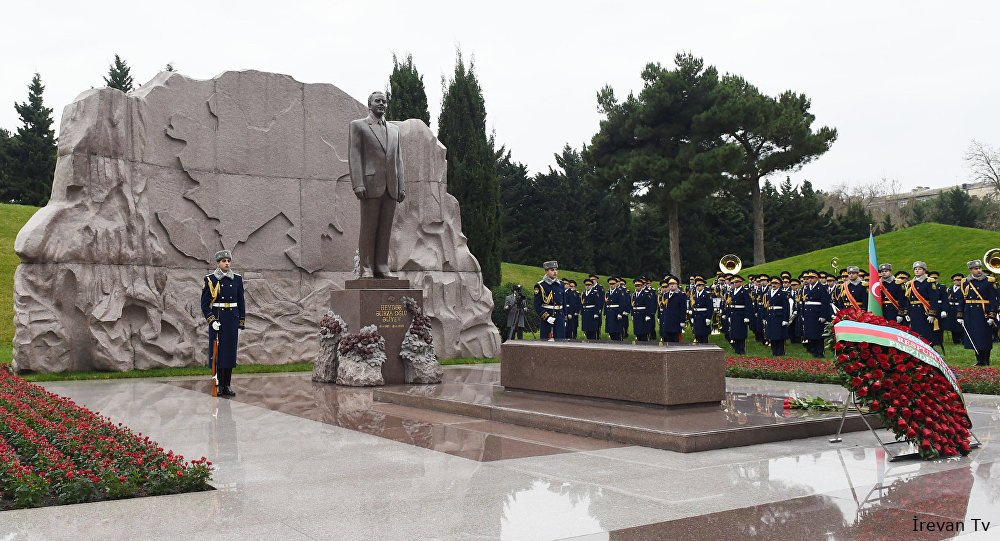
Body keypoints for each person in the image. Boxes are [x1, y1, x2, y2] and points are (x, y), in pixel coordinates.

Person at [349, 91, 405, 279]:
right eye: (377, 101)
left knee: (385, 229)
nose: (381, 104)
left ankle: (381, 266)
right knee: (368, 228)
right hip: (370, 185)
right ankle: (365, 268)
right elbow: (355, 155)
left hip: (391, 186)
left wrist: (401, 186)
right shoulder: (359, 126)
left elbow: (398, 161)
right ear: (369, 104)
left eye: (384, 101)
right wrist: (358, 183)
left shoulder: (395, 130)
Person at [200, 250, 246, 397]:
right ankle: (218, 385)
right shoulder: (211, 279)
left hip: (232, 319)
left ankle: (227, 385)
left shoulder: (237, 279)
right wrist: (212, 320)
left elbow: (241, 302)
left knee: (230, 354)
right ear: (218, 263)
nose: (227, 263)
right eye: (224, 261)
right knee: (218, 354)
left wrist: (240, 323)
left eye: (228, 260)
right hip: (218, 320)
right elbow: (205, 305)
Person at [956, 259, 997, 366]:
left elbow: (994, 299)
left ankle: (986, 360)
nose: (978, 270)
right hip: (969, 312)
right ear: (970, 270)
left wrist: (992, 315)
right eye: (976, 269)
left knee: (984, 336)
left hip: (984, 313)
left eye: (979, 268)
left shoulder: (989, 281)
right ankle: (979, 360)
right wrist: (960, 314)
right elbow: (961, 299)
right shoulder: (965, 282)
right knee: (974, 336)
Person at [904, 261, 939, 345]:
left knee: (926, 332)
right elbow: (908, 299)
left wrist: (932, 314)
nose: (917, 270)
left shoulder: (929, 282)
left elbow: (934, 299)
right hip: (913, 311)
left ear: (924, 271)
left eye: (919, 269)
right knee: (915, 331)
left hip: (925, 311)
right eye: (915, 269)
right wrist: (907, 313)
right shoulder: (910, 283)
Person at [800, 270, 831, 358]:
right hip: (808, 313)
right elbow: (804, 302)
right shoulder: (806, 288)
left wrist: (823, 315)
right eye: (808, 278)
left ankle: (819, 352)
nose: (810, 279)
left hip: (817, 313)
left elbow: (825, 302)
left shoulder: (821, 287)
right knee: (810, 333)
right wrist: (803, 313)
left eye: (812, 278)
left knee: (818, 334)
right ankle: (813, 351)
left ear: (817, 278)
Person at [533, 261, 565, 341]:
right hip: (548, 318)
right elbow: (537, 305)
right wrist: (546, 317)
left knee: (560, 341)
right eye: (552, 270)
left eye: (555, 270)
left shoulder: (561, 284)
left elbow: (563, 302)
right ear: (546, 271)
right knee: (546, 342)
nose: (555, 272)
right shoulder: (541, 285)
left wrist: (564, 318)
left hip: (559, 317)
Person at [764, 277, 793, 356]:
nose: (774, 285)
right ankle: (774, 352)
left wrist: (785, 319)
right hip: (770, 316)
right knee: (772, 335)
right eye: (773, 283)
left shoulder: (782, 293)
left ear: (780, 285)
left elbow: (786, 307)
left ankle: (780, 352)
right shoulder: (768, 293)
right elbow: (767, 306)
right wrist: (766, 317)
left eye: (776, 283)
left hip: (779, 316)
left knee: (779, 335)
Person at [725, 275, 751, 354]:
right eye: (734, 282)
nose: (735, 284)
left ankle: (741, 350)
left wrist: (747, 316)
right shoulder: (732, 291)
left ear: (741, 282)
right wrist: (729, 315)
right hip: (733, 314)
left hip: (741, 314)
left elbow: (748, 304)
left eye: (737, 282)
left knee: (741, 333)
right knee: (734, 332)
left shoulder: (744, 291)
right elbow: (730, 305)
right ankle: (737, 350)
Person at [690, 278, 714, 344]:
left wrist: (708, 318)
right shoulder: (694, 295)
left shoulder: (707, 295)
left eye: (700, 285)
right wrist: (692, 316)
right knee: (697, 333)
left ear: (703, 286)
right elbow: (693, 306)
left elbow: (710, 307)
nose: (698, 287)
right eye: (697, 285)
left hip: (703, 316)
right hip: (696, 316)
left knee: (704, 334)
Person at [948, 273, 966, 344]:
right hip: (952, 308)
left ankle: (962, 339)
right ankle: (955, 340)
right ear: (953, 281)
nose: (958, 281)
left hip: (960, 308)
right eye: (956, 280)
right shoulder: (950, 288)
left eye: (960, 280)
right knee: (953, 324)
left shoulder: (964, 288)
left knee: (961, 325)